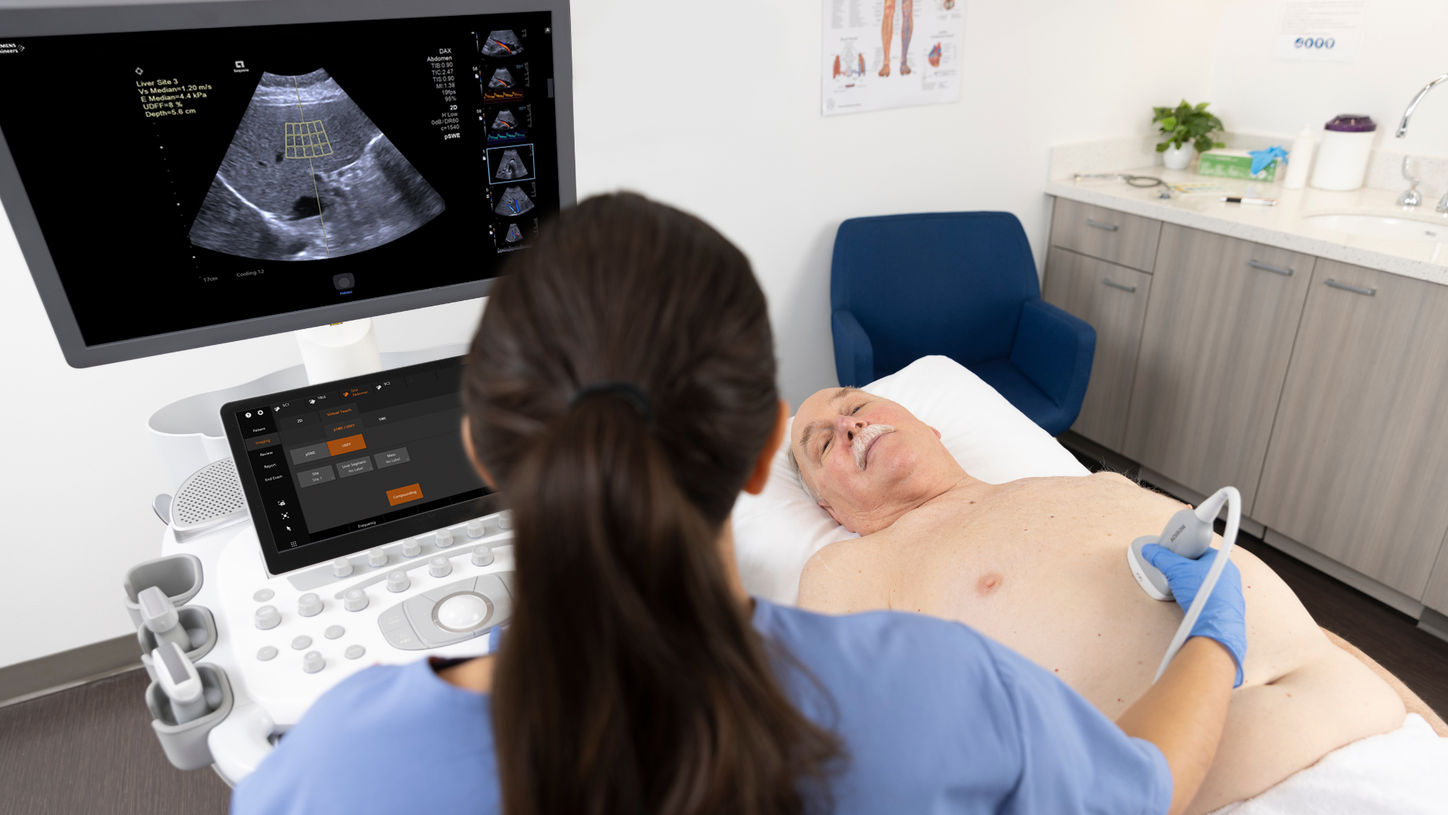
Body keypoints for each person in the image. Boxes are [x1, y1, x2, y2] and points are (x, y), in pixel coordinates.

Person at [232, 193, 1246, 815]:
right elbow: (1140, 784)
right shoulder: (940, 690)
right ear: (768, 443)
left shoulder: (336, 766)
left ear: (480, 451)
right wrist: (1211, 630)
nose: (849, 428)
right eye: (820, 426)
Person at [788, 386, 1436, 814]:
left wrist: (1426, 715)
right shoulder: (849, 569)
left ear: (926, 422)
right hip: (1236, 790)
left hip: (1395, 745)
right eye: (822, 442)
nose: (850, 425)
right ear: (828, 505)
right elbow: (856, 749)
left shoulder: (1092, 482)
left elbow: (1265, 601)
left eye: (857, 404)